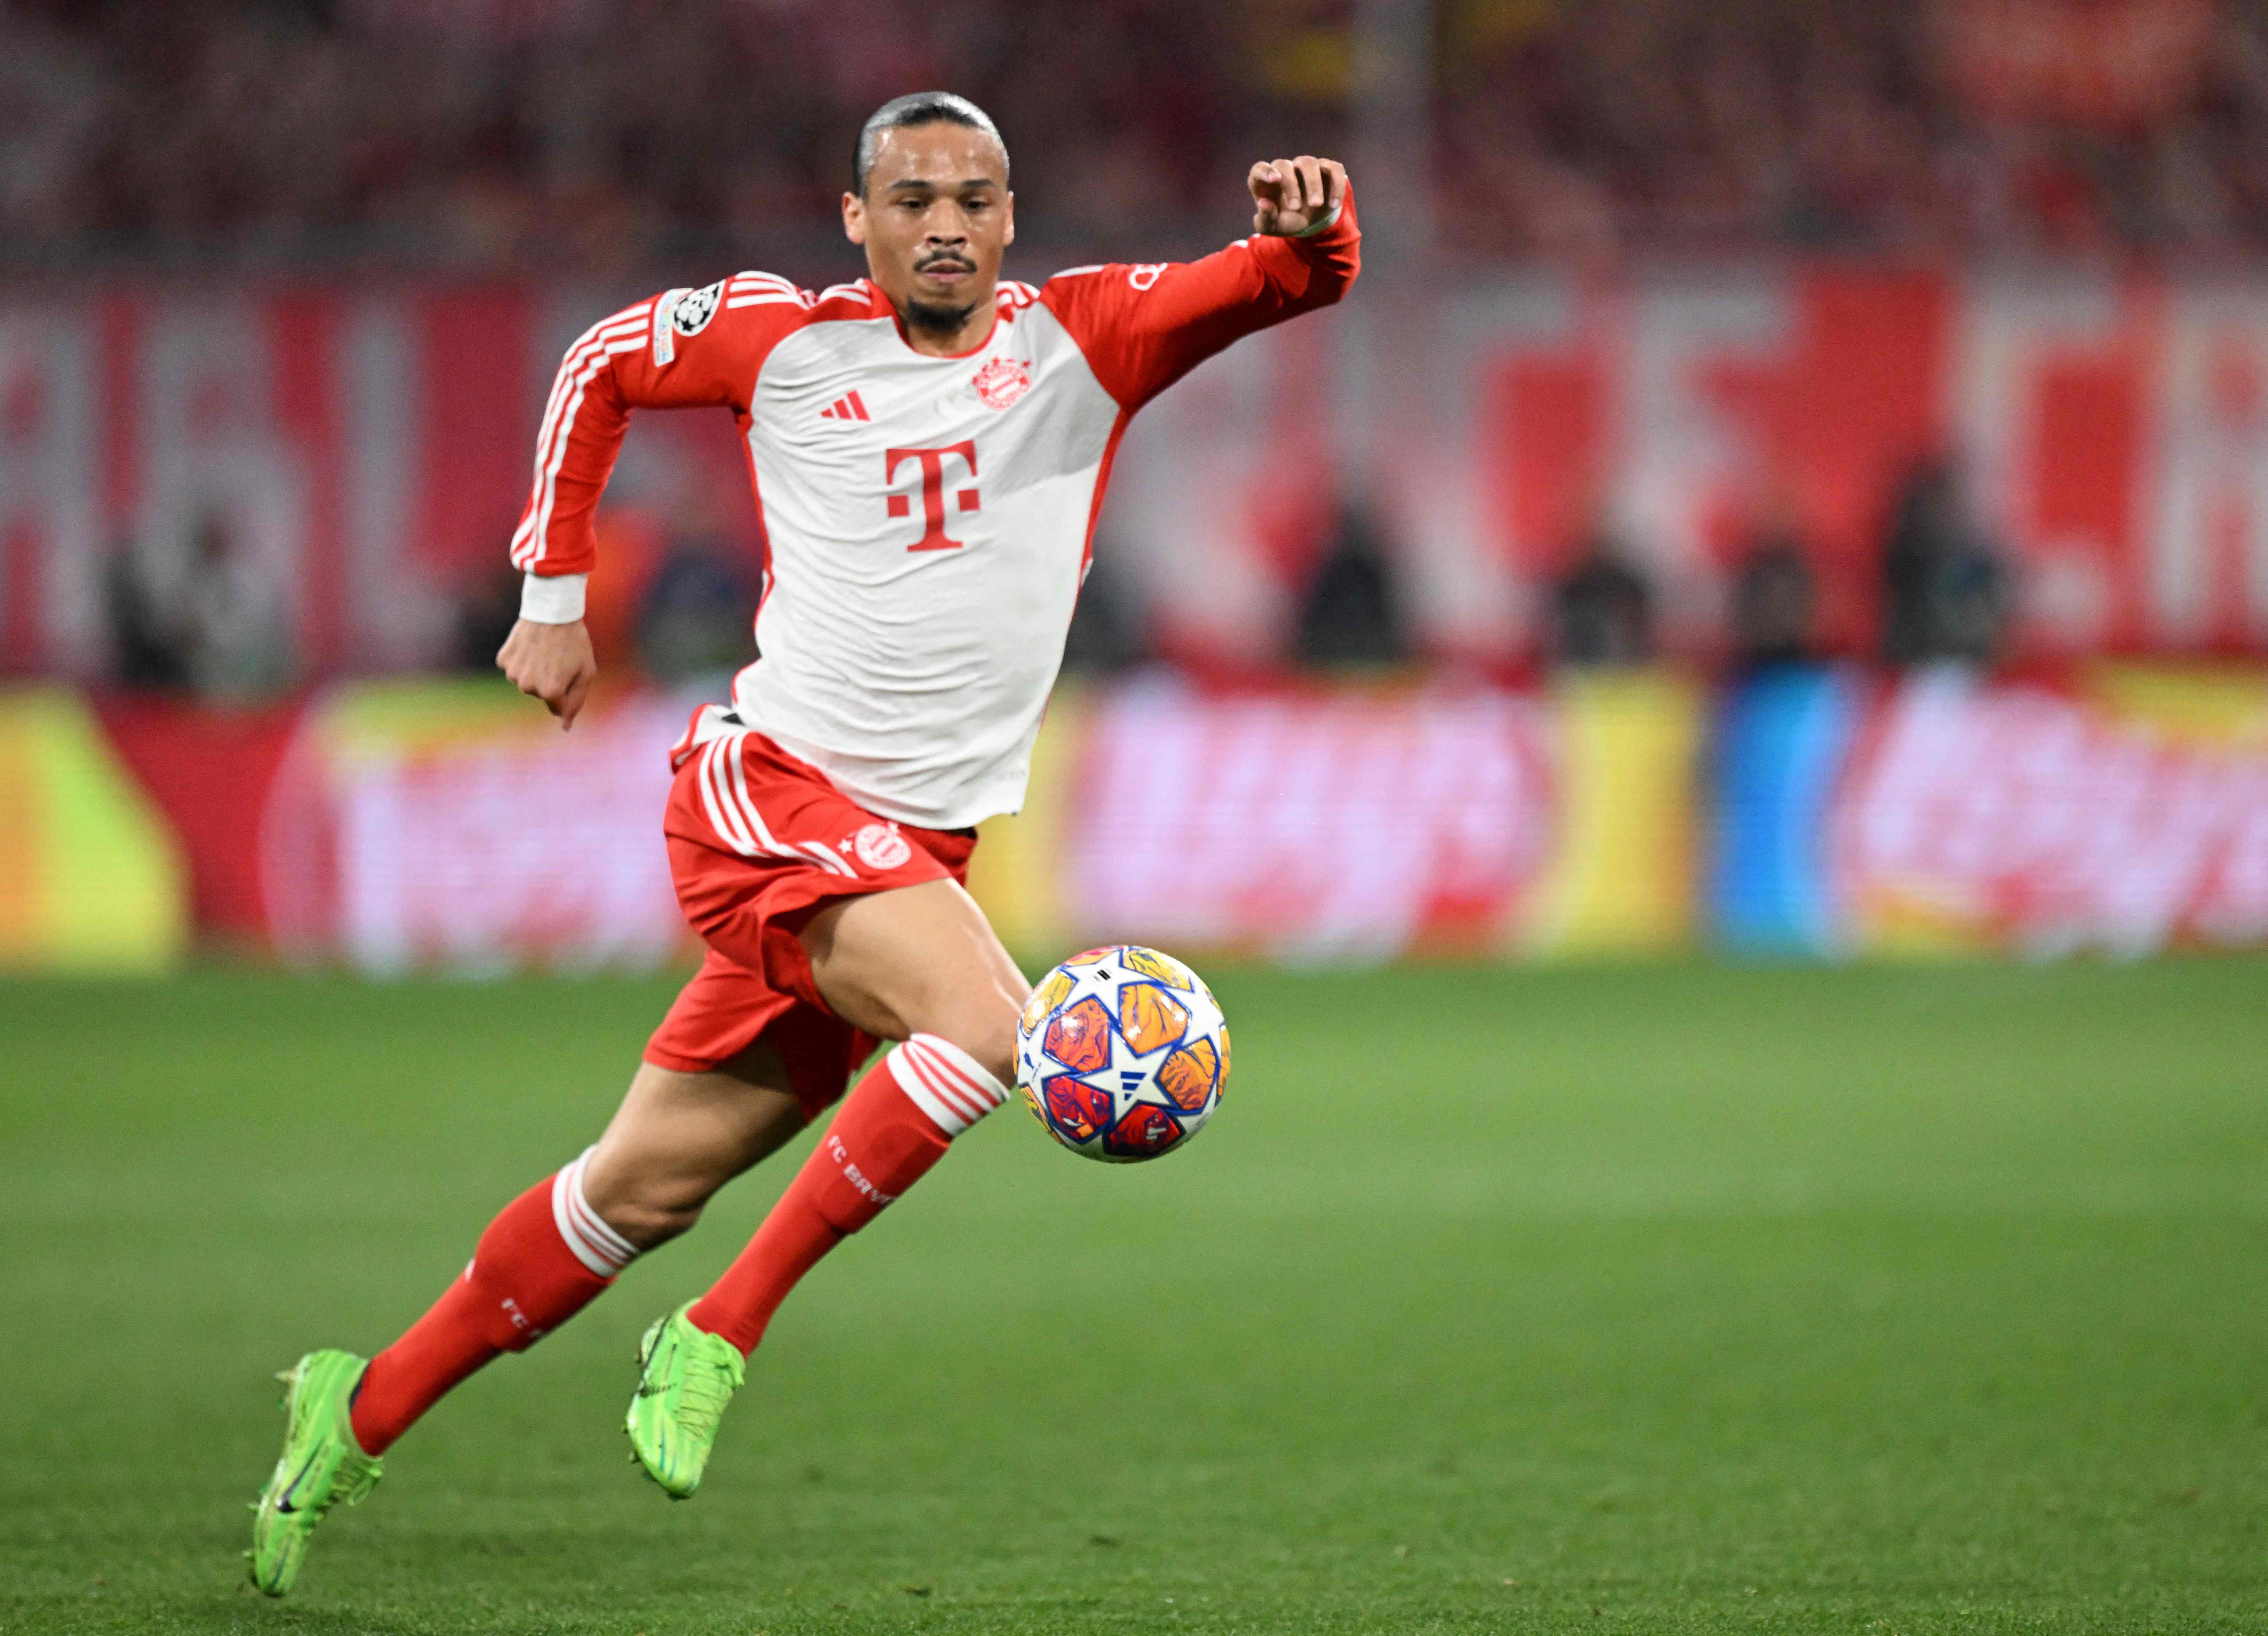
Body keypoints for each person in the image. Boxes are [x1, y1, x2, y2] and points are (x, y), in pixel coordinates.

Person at [247, 91, 1359, 1596]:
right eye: (911, 200)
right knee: (990, 1027)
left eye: (974, 197)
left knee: (632, 1192)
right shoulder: (782, 341)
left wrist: (1313, 227)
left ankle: (355, 1407)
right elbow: (597, 367)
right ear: (858, 220)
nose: (945, 225)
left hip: (907, 858)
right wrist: (555, 592)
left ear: (1012, 217)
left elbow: (1290, 278)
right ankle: (722, 1330)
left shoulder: (1088, 339)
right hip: (768, 797)